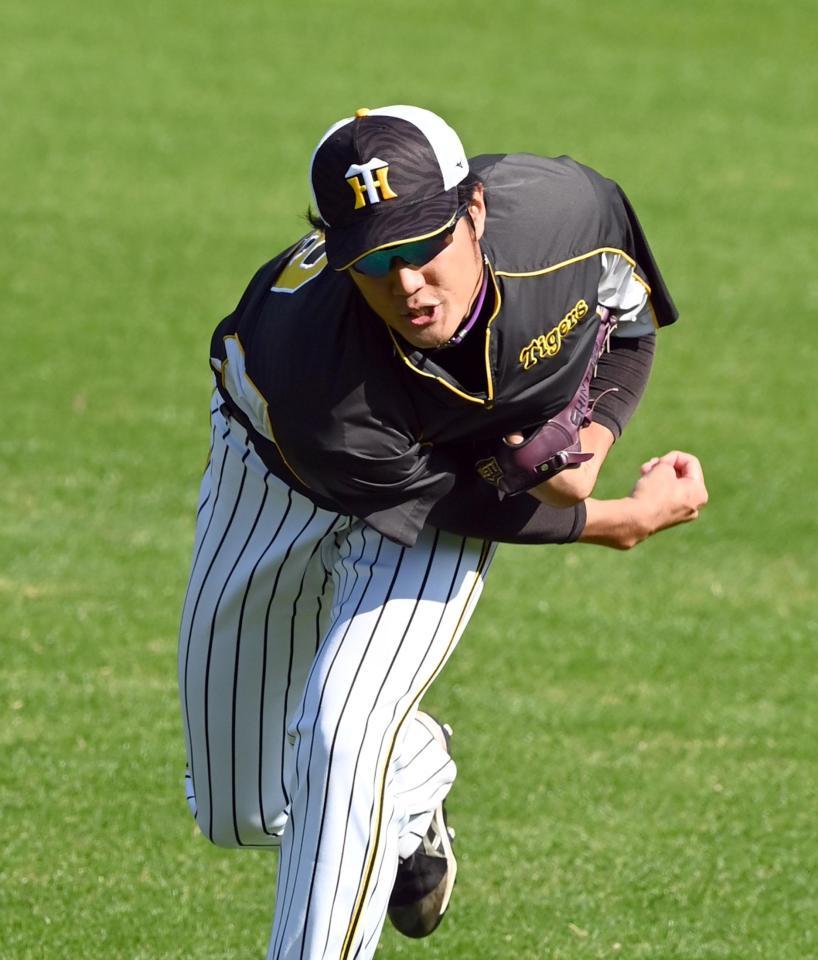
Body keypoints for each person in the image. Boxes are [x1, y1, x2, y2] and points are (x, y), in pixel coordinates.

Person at [178, 104, 707, 960]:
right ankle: (413, 784)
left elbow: (628, 322)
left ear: (476, 211)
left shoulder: (565, 217)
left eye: (424, 244)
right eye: (373, 262)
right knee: (242, 812)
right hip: (273, 468)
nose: (407, 282)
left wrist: (591, 439)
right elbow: (460, 502)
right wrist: (614, 521)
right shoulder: (325, 383)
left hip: (435, 474)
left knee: (341, 733)